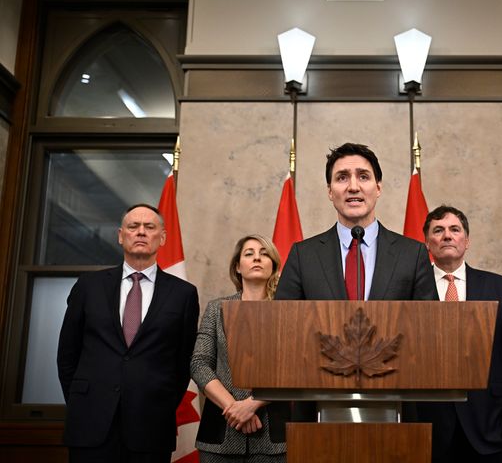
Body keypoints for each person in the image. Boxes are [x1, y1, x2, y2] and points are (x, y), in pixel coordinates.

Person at [57, 203, 200, 463]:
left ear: (163, 237)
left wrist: (160, 400)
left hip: (151, 424)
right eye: (133, 227)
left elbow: (183, 362)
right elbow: (67, 354)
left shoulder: (183, 294)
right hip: (90, 421)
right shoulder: (89, 286)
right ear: (121, 235)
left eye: (149, 227)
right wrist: (84, 400)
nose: (141, 232)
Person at [416, 205, 502, 463]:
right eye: (438, 230)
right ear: (427, 243)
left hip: (493, 432)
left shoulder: (500, 288)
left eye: (454, 229)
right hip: (428, 433)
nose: (447, 235)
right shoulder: (412, 289)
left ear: (466, 241)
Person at [275, 142, 437, 302]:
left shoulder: (412, 254)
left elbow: (428, 322)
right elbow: (283, 321)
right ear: (330, 191)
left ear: (378, 188)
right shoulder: (303, 256)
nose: (353, 187)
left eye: (363, 177)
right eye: (342, 177)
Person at [191, 234, 287, 463]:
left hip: (273, 435)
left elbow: (293, 368)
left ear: (273, 265)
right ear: (238, 266)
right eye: (249, 254)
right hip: (220, 432)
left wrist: (253, 403)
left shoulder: (287, 311)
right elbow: (199, 364)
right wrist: (234, 408)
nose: (257, 258)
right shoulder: (217, 309)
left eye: (264, 254)